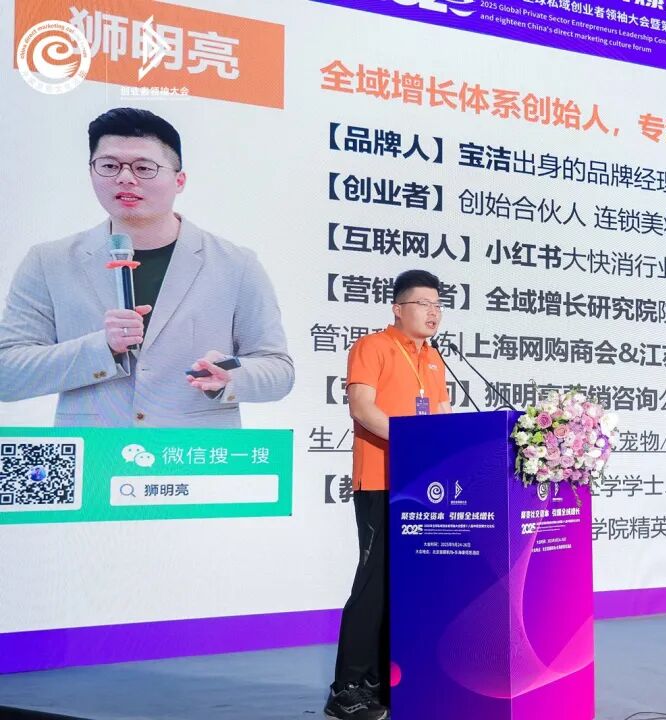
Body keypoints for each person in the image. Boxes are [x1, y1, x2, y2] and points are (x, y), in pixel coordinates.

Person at [0, 107, 293, 427]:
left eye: (144, 167)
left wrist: (230, 374)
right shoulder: (49, 262)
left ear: (179, 180)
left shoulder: (236, 264)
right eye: (109, 166)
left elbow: (278, 370)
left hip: (196, 451)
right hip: (94, 452)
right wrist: (102, 348)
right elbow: (7, 374)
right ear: (91, 173)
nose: (125, 178)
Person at [326, 269, 451, 720]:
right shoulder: (372, 346)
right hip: (381, 480)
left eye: (438, 305)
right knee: (374, 582)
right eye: (423, 304)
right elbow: (363, 408)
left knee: (408, 584)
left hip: (422, 484)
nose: (433, 312)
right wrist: (412, 443)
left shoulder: (434, 358)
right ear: (398, 308)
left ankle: (383, 680)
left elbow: (440, 414)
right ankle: (346, 689)